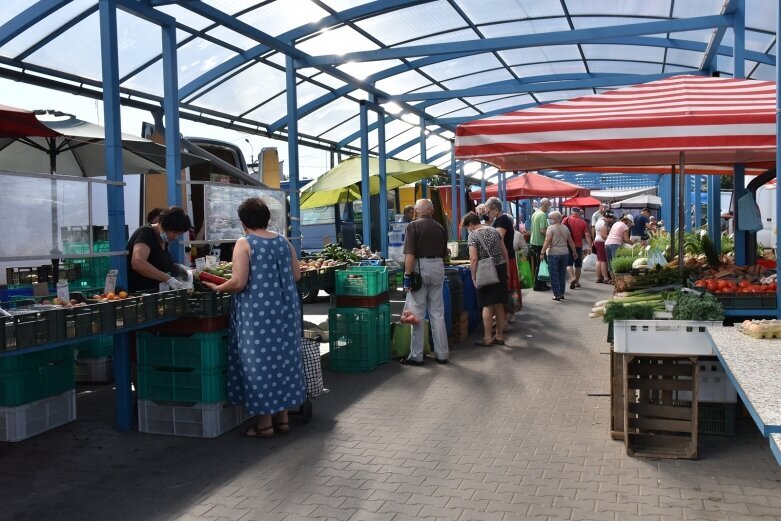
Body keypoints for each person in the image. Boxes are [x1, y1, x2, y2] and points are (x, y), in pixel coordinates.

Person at [202, 197, 306, 438]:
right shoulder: (283, 242)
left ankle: (265, 424)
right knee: (283, 362)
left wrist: (217, 287)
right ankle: (283, 419)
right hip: (285, 313)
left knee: (259, 365)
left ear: (243, 222)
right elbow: (297, 275)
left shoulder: (245, 243)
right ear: (266, 218)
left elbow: (238, 282)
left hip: (257, 315)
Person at [400, 199, 449, 366]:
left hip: (420, 268)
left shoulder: (412, 226)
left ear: (416, 211)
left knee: (417, 314)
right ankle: (442, 354)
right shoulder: (440, 227)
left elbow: (410, 255)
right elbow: (444, 252)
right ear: (432, 211)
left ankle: (417, 356)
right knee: (437, 313)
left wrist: (407, 276)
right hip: (438, 267)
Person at [462, 212, 508, 346]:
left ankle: (487, 338)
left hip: (484, 271)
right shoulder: (494, 230)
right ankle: (499, 336)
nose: (468, 230)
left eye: (467, 228)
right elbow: (504, 251)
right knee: (499, 304)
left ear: (471, 224)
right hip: (500, 268)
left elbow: (473, 258)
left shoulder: (473, 235)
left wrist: (473, 275)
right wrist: (507, 270)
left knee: (487, 304)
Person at [127, 206, 192, 292]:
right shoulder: (146, 233)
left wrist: (181, 269)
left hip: (155, 293)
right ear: (166, 225)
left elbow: (161, 263)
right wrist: (168, 279)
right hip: (141, 294)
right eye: (175, 232)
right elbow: (137, 263)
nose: (176, 237)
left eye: (179, 234)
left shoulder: (163, 240)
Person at [485, 197, 520, 320]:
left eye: (488, 212)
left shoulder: (502, 220)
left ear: (495, 209)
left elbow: (497, 239)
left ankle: (505, 315)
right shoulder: (501, 220)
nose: (487, 215)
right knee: (507, 286)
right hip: (506, 257)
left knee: (506, 287)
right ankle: (507, 314)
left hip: (505, 258)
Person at [541, 211, 578, 301]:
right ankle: (561, 293)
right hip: (564, 253)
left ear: (556, 219)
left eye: (550, 218)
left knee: (554, 275)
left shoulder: (550, 228)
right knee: (562, 274)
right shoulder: (565, 228)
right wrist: (574, 251)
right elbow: (570, 241)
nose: (549, 220)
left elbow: (547, 240)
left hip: (553, 253)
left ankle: (557, 294)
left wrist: (542, 252)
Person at [562, 207, 592, 289]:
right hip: (579, 246)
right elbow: (587, 235)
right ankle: (577, 282)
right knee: (578, 265)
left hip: (567, 245)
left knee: (569, 264)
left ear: (572, 212)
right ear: (579, 213)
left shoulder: (566, 220)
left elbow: (561, 231)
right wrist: (590, 246)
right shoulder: (583, 223)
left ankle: (572, 278)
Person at [529, 198, 551, 291]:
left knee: (539, 264)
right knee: (541, 264)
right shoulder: (542, 215)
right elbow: (542, 230)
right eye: (548, 206)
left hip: (533, 241)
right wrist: (551, 233)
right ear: (544, 205)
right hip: (540, 242)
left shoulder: (535, 213)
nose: (549, 208)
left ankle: (540, 284)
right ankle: (539, 285)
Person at [605, 214, 634, 280]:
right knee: (615, 263)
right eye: (630, 223)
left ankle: (613, 281)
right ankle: (617, 281)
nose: (630, 225)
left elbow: (621, 237)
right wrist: (635, 244)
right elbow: (626, 239)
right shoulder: (625, 227)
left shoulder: (616, 223)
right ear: (628, 221)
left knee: (610, 263)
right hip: (615, 244)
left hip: (607, 244)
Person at [593, 210, 615, 284]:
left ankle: (599, 277)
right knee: (604, 260)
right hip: (602, 242)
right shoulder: (603, 223)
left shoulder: (599, 221)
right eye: (610, 218)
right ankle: (606, 278)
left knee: (599, 260)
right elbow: (604, 235)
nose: (611, 220)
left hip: (597, 240)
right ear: (608, 217)